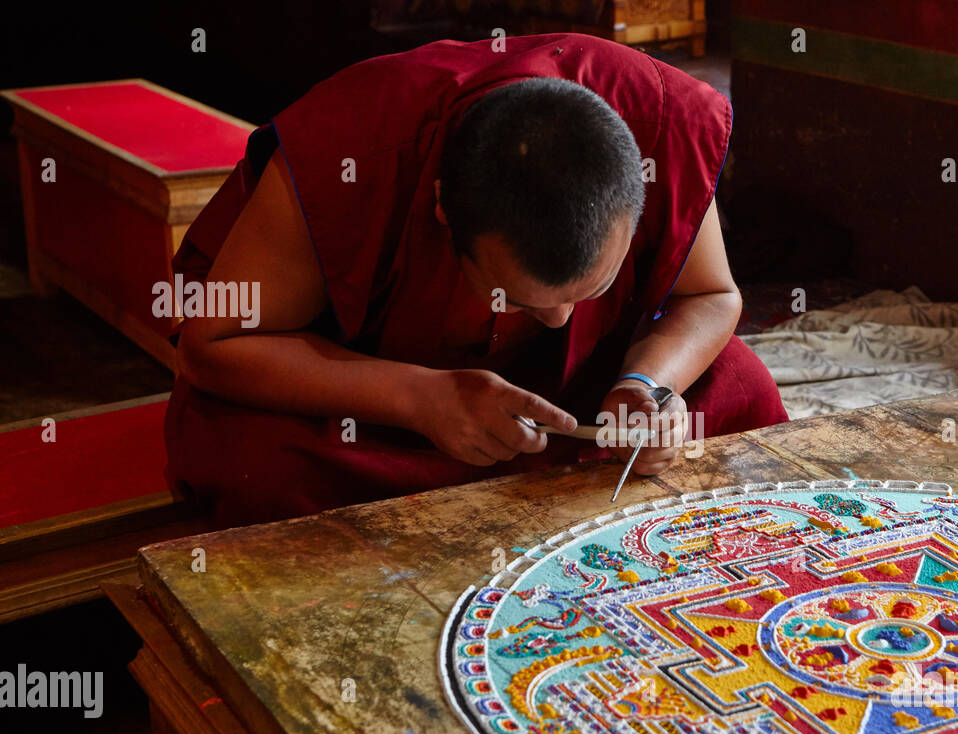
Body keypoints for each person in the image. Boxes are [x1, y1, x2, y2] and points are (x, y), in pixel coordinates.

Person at [166, 33, 788, 527]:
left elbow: (709, 294)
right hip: (385, 394)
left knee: (739, 388)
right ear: (443, 209)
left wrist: (646, 388)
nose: (560, 321)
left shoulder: (658, 121)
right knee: (260, 464)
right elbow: (215, 345)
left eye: (589, 292)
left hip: (578, 389)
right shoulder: (352, 150)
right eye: (517, 298)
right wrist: (423, 399)